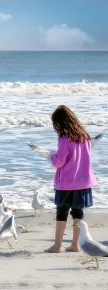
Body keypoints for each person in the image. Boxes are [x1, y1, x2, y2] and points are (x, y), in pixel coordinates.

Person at [45, 105, 98, 253]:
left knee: (61, 212)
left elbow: (60, 161)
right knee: (77, 212)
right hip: (83, 182)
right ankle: (75, 245)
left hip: (67, 183)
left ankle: (57, 245)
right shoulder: (84, 136)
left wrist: (51, 156)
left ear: (60, 122)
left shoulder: (64, 138)